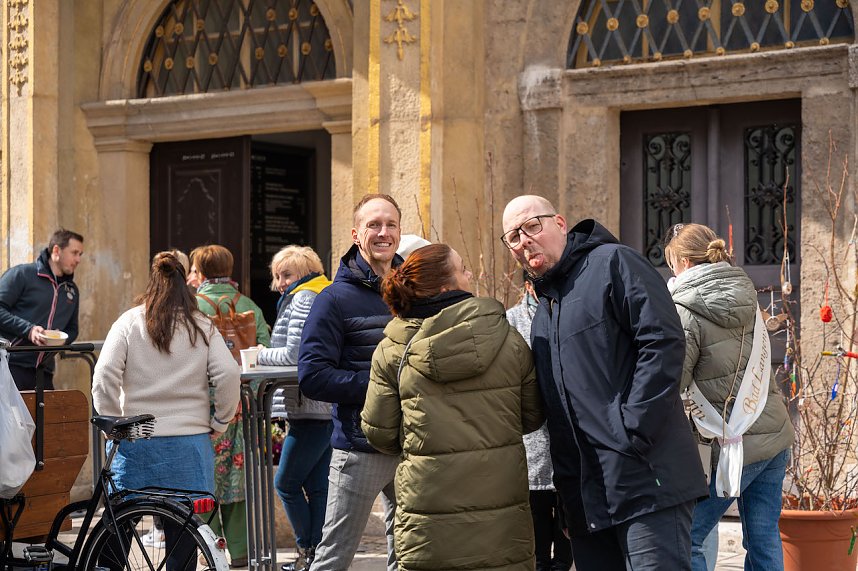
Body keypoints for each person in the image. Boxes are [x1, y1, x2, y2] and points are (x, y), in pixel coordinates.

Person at [501, 195, 709, 571]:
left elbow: (662, 342)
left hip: (647, 480)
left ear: (560, 223)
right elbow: (558, 411)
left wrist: (633, 432)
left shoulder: (614, 262)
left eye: (532, 226)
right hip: (588, 502)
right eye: (513, 236)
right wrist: (568, 498)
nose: (524, 240)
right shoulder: (544, 312)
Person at [361, 243, 544, 570]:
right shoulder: (508, 340)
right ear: (446, 286)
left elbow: (381, 434)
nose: (470, 274)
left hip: (428, 514)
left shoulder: (392, 351)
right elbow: (531, 416)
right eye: (463, 269)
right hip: (500, 514)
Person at [92, 251, 240, 571]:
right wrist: (221, 420)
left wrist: (111, 422)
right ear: (187, 282)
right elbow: (229, 374)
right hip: (189, 443)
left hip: (135, 443)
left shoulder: (130, 321)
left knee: (118, 529)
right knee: (184, 531)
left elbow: (104, 374)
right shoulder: (200, 325)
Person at [664, 223, 794, 571]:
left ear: (685, 263)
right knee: (764, 538)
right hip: (775, 435)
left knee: (687, 538)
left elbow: (674, 382)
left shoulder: (685, 310)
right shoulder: (748, 296)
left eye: (672, 264)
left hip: (733, 447)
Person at [298, 193, 404, 571]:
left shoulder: (415, 292)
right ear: (357, 233)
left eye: (391, 224)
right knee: (333, 559)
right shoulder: (333, 299)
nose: (383, 232)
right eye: (374, 224)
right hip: (360, 448)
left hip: (413, 445)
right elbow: (312, 376)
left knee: (409, 557)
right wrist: (380, 386)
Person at [191, 244, 270, 568]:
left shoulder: (192, 305)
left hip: (200, 407)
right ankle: (240, 553)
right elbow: (263, 348)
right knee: (237, 480)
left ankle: (209, 549)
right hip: (241, 403)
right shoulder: (248, 304)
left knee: (203, 478)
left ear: (200, 270)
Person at [256, 245, 333, 571]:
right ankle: (316, 557)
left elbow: (293, 354)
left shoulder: (304, 298)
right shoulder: (319, 293)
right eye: (277, 276)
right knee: (316, 487)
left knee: (285, 483)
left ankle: (307, 551)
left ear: (303, 272)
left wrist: (257, 353)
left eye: (286, 274)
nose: (280, 282)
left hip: (310, 406)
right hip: (320, 406)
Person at [506, 272, 573, 571]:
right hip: (530, 438)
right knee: (536, 533)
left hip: (568, 436)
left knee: (568, 531)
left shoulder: (569, 314)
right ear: (528, 287)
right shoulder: (510, 322)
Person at [0, 229, 84, 390]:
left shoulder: (72, 290)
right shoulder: (22, 274)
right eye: (74, 253)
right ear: (56, 251)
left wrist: (62, 339)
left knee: (51, 416)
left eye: (80, 254)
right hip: (11, 365)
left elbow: (73, 329)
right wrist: (29, 330)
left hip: (44, 371)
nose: (78, 259)